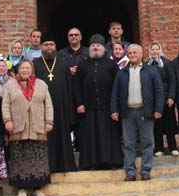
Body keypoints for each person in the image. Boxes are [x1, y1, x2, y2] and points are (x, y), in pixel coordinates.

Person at [110, 43, 163, 181]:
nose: (132, 55)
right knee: (128, 143)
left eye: (135, 53)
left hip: (145, 111)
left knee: (147, 142)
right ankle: (130, 172)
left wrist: (158, 109)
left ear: (141, 54)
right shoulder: (122, 72)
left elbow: (158, 91)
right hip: (127, 113)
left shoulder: (151, 71)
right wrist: (114, 110)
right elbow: (115, 93)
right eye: (130, 53)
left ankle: (145, 171)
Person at [2, 59, 53, 196]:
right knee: (20, 158)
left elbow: (48, 104)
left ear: (32, 70)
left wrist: (49, 122)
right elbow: (5, 104)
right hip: (18, 126)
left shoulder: (41, 84)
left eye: (27, 68)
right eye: (23, 68)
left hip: (37, 126)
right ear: (18, 70)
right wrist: (8, 121)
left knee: (38, 158)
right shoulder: (10, 85)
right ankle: (21, 188)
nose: (25, 70)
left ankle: (38, 187)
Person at [75, 34, 122, 170]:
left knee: (108, 136)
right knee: (90, 136)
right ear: (89, 48)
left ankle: (111, 161)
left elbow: (118, 86)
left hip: (108, 108)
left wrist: (116, 106)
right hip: (88, 108)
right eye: (93, 45)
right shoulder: (82, 65)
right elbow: (76, 86)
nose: (95, 47)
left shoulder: (111, 65)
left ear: (103, 48)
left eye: (98, 45)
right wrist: (79, 103)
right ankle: (90, 163)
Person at [34, 34, 77, 173]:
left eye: (51, 44)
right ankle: (48, 166)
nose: (49, 47)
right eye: (46, 44)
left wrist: (71, 109)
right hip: (42, 108)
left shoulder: (64, 64)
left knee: (63, 136)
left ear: (55, 46)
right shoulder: (35, 64)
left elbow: (70, 88)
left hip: (61, 107)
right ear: (41, 47)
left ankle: (65, 165)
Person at [58, 26, 89, 152]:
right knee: (68, 123)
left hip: (84, 94)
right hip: (68, 93)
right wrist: (67, 70)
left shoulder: (88, 52)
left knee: (84, 127)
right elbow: (57, 70)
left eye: (76, 34)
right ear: (68, 38)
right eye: (71, 35)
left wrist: (80, 70)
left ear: (80, 37)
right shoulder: (61, 54)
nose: (73, 37)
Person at [148, 42, 178, 157]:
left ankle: (173, 147)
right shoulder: (147, 65)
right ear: (150, 51)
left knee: (170, 124)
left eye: (157, 49)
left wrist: (171, 96)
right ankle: (159, 148)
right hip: (154, 101)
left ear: (160, 50)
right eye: (153, 49)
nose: (155, 51)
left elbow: (172, 81)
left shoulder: (167, 63)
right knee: (157, 125)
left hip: (166, 99)